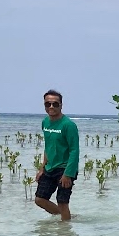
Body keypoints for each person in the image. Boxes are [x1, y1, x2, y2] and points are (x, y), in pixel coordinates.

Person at [34, 89, 79, 221]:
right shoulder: (45, 122)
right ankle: (66, 218)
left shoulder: (68, 125)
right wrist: (42, 168)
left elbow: (74, 151)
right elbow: (47, 147)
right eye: (48, 104)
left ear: (61, 105)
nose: (51, 107)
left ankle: (64, 233)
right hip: (50, 167)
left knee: (62, 202)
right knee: (39, 199)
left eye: (55, 104)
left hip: (65, 168)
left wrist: (67, 174)